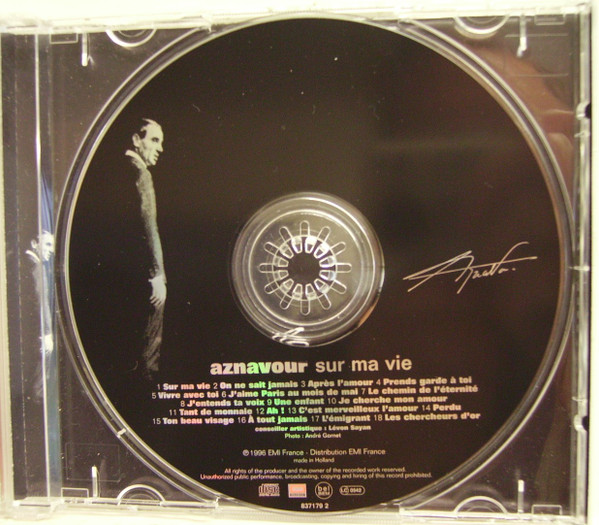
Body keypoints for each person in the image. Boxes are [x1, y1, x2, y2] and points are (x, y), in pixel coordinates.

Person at [125, 118, 167, 379]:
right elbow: (148, 226)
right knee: (148, 352)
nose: (160, 148)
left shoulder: (119, 169)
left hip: (127, 274)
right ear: (135, 140)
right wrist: (157, 275)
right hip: (145, 276)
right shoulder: (141, 173)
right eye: (154, 140)